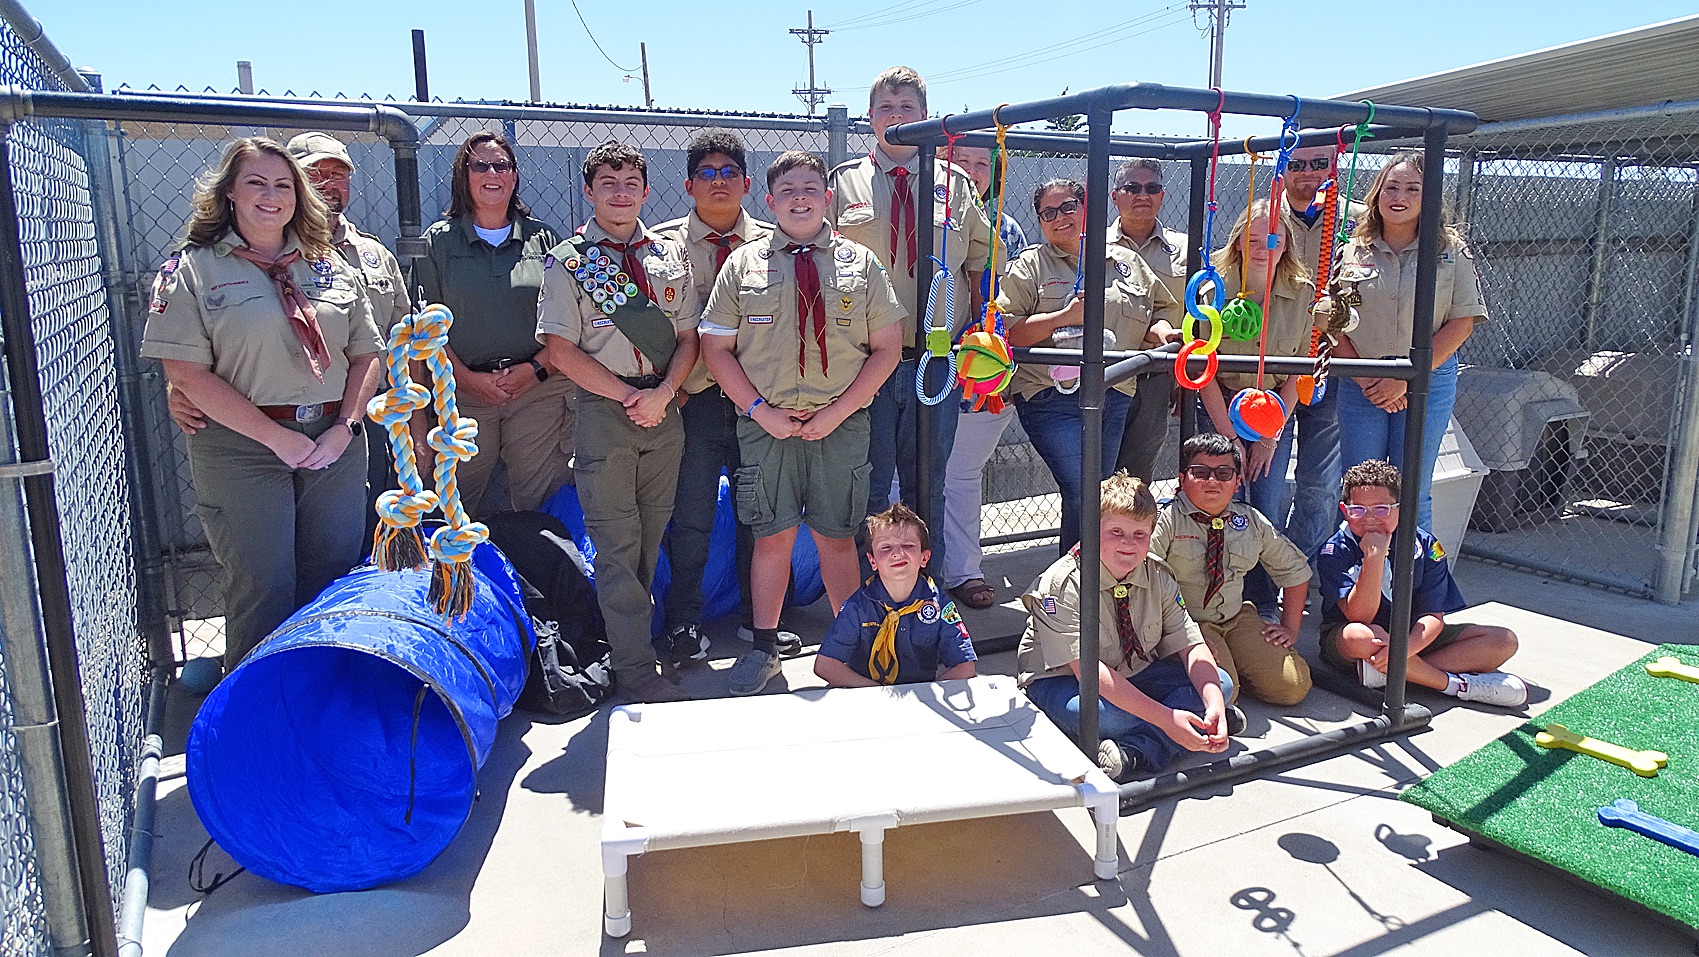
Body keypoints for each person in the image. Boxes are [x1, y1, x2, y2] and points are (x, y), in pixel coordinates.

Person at [140, 136, 382, 670]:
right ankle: (257, 722)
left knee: (333, 575)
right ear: (228, 193)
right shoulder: (192, 270)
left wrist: (345, 425)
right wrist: (275, 437)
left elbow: (368, 354)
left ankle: (325, 700)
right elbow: (184, 373)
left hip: (332, 442)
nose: (271, 196)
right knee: (263, 585)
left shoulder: (333, 266)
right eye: (256, 182)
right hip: (244, 447)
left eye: (283, 185)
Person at [700, 150, 905, 696]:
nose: (798, 198)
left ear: (826, 197)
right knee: (772, 537)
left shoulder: (860, 266)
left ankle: (849, 649)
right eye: (786, 189)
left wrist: (838, 411)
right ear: (768, 201)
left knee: (838, 538)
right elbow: (716, 348)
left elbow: (886, 348)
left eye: (810, 188)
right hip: (766, 427)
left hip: (841, 425)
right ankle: (763, 648)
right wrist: (759, 411)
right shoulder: (742, 266)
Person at [167, 132, 411, 533]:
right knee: (267, 578)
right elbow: (193, 360)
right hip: (248, 441)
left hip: (349, 430)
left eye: (339, 174)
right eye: (316, 173)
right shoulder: (200, 266)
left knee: (343, 561)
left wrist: (353, 428)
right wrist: (181, 388)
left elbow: (384, 350)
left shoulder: (366, 257)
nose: (329, 184)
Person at [536, 140, 700, 705]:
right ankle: (634, 669)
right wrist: (634, 398)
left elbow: (687, 338)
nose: (620, 192)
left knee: (651, 540)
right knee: (615, 543)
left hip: (664, 411)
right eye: (608, 182)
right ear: (588, 191)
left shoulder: (668, 256)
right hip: (607, 414)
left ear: (647, 191)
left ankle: (633, 648)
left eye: (631, 182)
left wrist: (665, 393)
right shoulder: (570, 261)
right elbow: (559, 350)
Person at [828, 66, 991, 579]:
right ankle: (871, 596)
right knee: (869, 486)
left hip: (937, 360)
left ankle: (928, 591)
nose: (896, 118)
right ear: (870, 117)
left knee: (928, 484)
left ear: (925, 116)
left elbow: (981, 264)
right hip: (865, 364)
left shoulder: (956, 186)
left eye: (907, 109)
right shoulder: (843, 182)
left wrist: (985, 333)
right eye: (886, 109)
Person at [652, 130, 803, 668]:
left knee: (759, 511)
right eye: (708, 173)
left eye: (730, 172)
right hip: (694, 401)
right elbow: (651, 327)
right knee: (690, 511)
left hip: (758, 402)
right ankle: (685, 619)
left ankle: (759, 618)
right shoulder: (660, 245)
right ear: (690, 184)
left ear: (746, 183)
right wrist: (671, 390)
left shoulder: (775, 240)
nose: (719, 182)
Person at [1018, 472, 1242, 783]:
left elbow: (1191, 644)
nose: (1128, 544)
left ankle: (1136, 752)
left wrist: (1214, 702)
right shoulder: (1062, 585)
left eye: (1140, 534)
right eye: (1116, 531)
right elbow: (1088, 671)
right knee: (1111, 718)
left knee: (1221, 684)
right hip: (1064, 681)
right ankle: (1183, 727)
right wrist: (1166, 718)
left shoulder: (1158, 574)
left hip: (1136, 671)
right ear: (1092, 532)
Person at [1001, 178, 1181, 555]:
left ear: (1086, 209)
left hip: (1114, 394)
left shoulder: (1128, 261)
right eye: (1048, 213)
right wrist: (1061, 317)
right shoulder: (1029, 267)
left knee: (1095, 492)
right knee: (1085, 487)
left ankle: (1086, 582)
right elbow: (1007, 333)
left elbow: (1158, 311)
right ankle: (1077, 587)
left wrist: (1163, 334)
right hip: (1051, 399)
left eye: (1068, 207)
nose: (1059, 217)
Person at [1327, 150, 1486, 531]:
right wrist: (1367, 379)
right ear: (1377, 195)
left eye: (1413, 188)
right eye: (1391, 187)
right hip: (1361, 383)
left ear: (1429, 197)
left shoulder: (1449, 251)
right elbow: (1333, 322)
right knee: (1360, 488)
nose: (1400, 196)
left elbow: (1463, 321)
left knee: (1411, 490)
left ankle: (1412, 584)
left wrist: (1406, 378)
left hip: (1426, 382)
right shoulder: (1351, 249)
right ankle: (1354, 582)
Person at [415, 130, 570, 517]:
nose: (492, 173)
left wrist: (535, 370)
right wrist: (468, 380)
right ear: (463, 175)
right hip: (463, 393)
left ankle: (538, 574)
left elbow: (569, 321)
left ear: (514, 176)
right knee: (456, 501)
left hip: (538, 391)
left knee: (539, 502)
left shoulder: (544, 238)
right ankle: (462, 577)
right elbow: (426, 330)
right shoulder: (438, 243)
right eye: (480, 165)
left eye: (502, 165)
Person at [1318, 460, 1527, 706]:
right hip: (1357, 645)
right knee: (1361, 635)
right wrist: (1373, 559)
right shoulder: (1335, 550)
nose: (1370, 519)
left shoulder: (1426, 546)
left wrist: (1403, 651)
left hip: (1412, 638)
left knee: (1503, 641)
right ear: (1345, 510)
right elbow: (1359, 616)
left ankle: (1391, 673)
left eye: (1382, 509)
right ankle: (1453, 685)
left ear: (1400, 508)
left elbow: (1432, 617)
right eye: (1358, 510)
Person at [1196, 200, 1314, 619]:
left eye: (1273, 238)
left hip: (1272, 411)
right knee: (1218, 498)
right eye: (1254, 238)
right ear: (1239, 242)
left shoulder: (1304, 294)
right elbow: (1201, 367)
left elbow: (1300, 373)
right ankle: (1211, 598)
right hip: (1220, 406)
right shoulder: (1213, 287)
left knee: (1264, 503)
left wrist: (1268, 436)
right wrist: (1228, 436)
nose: (1264, 246)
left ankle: (1263, 602)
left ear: (1286, 243)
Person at [1151, 434, 1312, 706]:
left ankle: (1242, 665)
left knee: (1292, 686)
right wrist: (1180, 638)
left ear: (1237, 481)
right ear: (1182, 479)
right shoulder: (1166, 521)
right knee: (1222, 691)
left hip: (1237, 617)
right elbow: (1144, 584)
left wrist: (1290, 629)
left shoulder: (1249, 520)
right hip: (1187, 623)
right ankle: (1232, 674)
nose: (1212, 481)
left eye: (1224, 473)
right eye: (1200, 473)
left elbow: (1295, 570)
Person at [939, 143, 1026, 610]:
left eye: (980, 165)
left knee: (962, 475)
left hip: (979, 370)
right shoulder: (930, 221)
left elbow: (1003, 303)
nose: (971, 172)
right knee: (899, 475)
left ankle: (963, 571)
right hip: (922, 363)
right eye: (961, 163)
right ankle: (908, 572)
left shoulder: (1005, 231)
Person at [1282, 144, 1364, 567]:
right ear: (1283, 167)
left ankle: (1300, 569)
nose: (1308, 173)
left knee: (1321, 482)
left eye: (1319, 163)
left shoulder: (1356, 220)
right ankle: (1264, 573)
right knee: (1269, 480)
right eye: (1297, 164)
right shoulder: (1265, 217)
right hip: (1277, 367)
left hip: (1330, 363)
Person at [815, 504, 977, 687]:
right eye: (885, 547)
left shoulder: (939, 605)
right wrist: (876, 694)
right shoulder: (858, 606)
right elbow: (825, 665)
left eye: (908, 545)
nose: (897, 553)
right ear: (872, 561)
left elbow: (965, 667)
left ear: (925, 557)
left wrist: (926, 695)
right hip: (864, 694)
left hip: (919, 698)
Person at [1107, 159, 1188, 482]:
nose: (1143, 195)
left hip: (1157, 376)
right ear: (1115, 196)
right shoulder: (1090, 246)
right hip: (1107, 371)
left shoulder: (1185, 248)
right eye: (1132, 188)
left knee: (1137, 476)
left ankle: (1134, 533)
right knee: (1094, 473)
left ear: (1162, 195)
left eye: (1152, 188)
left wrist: (1183, 379)